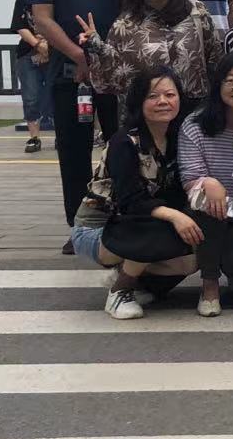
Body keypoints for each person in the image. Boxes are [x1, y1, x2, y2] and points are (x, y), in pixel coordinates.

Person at [29, 0, 133, 236]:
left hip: (117, 73)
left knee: (123, 147)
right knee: (73, 152)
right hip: (69, 73)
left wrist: (103, 53)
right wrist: (78, 55)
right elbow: (42, 18)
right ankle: (79, 227)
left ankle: (123, 220)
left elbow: (132, 15)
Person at [73, 67, 203, 319]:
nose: (163, 101)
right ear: (138, 102)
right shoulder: (124, 142)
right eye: (152, 96)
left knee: (191, 258)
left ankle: (135, 280)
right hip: (98, 228)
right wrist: (175, 216)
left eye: (170, 95)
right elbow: (130, 202)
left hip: (141, 224)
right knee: (158, 229)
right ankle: (120, 291)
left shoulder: (178, 139)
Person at [179, 52, 233, 318]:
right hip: (212, 212)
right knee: (209, 201)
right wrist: (208, 182)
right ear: (218, 83)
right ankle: (210, 285)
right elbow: (190, 178)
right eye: (230, 80)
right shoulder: (196, 124)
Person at [79, 0, 224, 104]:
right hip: (148, 112)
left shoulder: (197, 13)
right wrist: (97, 48)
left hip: (194, 110)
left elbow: (215, 61)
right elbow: (107, 83)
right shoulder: (124, 26)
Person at [10, 0, 54, 153]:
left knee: (57, 94)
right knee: (30, 96)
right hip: (27, 53)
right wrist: (37, 44)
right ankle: (34, 137)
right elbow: (19, 26)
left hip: (55, 51)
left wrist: (49, 44)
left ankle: (61, 136)